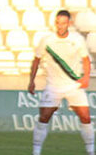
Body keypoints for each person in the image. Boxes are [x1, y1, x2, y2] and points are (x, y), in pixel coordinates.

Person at [28, 10, 93, 155]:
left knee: (85, 116)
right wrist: (31, 81)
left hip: (74, 85)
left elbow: (85, 59)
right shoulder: (47, 40)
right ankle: (36, 152)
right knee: (44, 117)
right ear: (55, 23)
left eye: (63, 23)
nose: (60, 26)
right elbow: (36, 60)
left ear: (69, 23)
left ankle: (90, 151)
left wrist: (86, 77)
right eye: (58, 22)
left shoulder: (77, 39)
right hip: (53, 86)